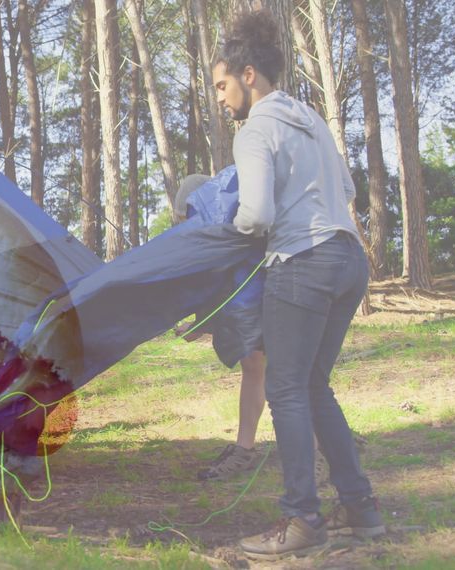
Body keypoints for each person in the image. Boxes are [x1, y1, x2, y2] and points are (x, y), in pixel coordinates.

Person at [210, 12, 385, 560]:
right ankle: (360, 507)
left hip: (302, 262)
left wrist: (225, 233)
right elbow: (348, 188)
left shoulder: (255, 129)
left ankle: (302, 518)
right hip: (348, 259)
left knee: (285, 389)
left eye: (222, 86)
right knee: (312, 385)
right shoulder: (309, 117)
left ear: (249, 75)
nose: (221, 99)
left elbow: (257, 215)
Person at [172, 174, 268, 482]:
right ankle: (247, 448)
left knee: (269, 370)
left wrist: (200, 323)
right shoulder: (224, 210)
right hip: (254, 297)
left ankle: (320, 445)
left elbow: (219, 278)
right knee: (259, 368)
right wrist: (200, 323)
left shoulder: (221, 217)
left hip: (256, 297)